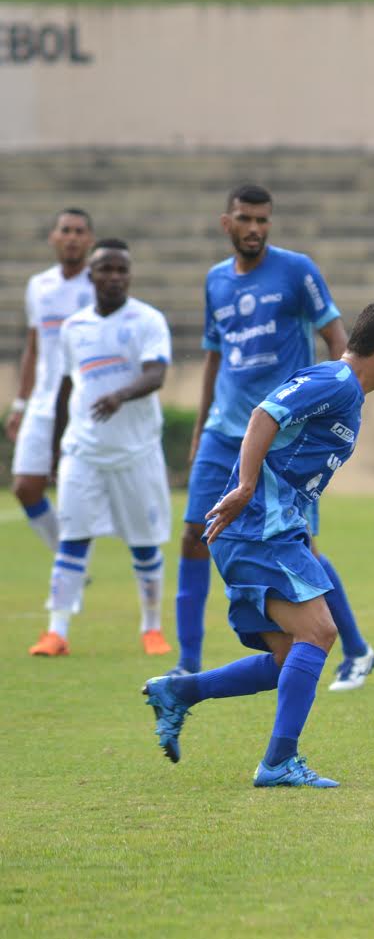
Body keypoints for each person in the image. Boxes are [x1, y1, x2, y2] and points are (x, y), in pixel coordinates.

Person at [141, 302, 374, 788]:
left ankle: (180, 691)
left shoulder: (346, 391)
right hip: (255, 528)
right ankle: (278, 763)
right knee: (321, 632)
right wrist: (245, 487)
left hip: (274, 530)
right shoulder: (335, 382)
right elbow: (264, 415)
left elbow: (294, 465)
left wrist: (300, 530)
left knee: (291, 658)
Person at [172, 184, 374, 691]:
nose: (255, 228)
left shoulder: (296, 270)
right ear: (228, 223)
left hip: (282, 436)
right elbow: (214, 357)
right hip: (224, 434)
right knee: (195, 536)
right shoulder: (215, 282)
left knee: (299, 547)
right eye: (245, 219)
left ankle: (355, 649)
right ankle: (186, 662)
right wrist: (200, 429)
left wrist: (341, 405)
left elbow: (336, 337)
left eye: (263, 220)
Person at [28, 239, 174, 657]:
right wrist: (57, 449)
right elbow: (67, 386)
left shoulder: (147, 320)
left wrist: (119, 396)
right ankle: (56, 632)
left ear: (129, 275)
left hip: (136, 452)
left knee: (144, 543)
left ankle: (151, 628)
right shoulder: (74, 328)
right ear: (90, 275)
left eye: (120, 270)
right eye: (105, 269)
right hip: (83, 451)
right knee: (73, 537)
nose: (113, 276)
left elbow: (157, 374)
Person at [8, 209, 95, 557]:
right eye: (66, 230)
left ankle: (70, 569)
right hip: (43, 402)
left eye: (79, 231)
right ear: (53, 237)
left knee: (77, 490)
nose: (72, 237)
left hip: (83, 404)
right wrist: (19, 403)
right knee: (26, 487)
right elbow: (34, 347)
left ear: (89, 240)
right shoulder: (38, 285)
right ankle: (69, 560)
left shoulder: (98, 284)